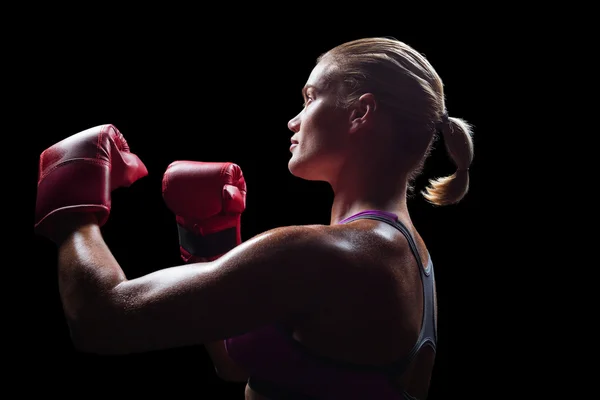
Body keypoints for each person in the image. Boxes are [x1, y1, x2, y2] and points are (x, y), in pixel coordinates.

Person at [34, 37, 474, 399]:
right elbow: (236, 363)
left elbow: (101, 319)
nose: (293, 120)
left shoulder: (332, 253)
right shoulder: (412, 257)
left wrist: (73, 207)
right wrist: (209, 243)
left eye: (310, 97)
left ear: (361, 112)